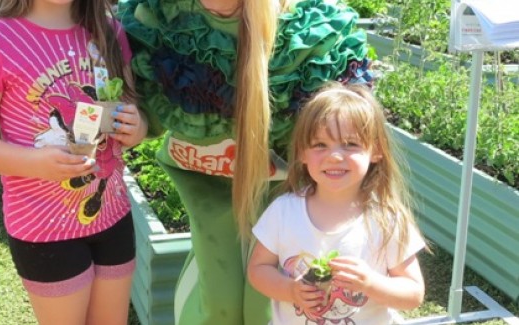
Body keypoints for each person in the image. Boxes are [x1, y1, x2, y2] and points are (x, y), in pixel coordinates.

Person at [118, 0, 372, 323]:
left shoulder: (305, 27)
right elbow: (145, 96)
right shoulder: (165, 13)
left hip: (284, 192)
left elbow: (352, 118)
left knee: (267, 306)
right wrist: (136, 121)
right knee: (217, 302)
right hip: (206, 185)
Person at [0, 1, 147, 324]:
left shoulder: (108, 30)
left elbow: (127, 108)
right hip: (43, 227)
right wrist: (35, 163)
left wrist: (136, 127)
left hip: (113, 216)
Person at [247, 82, 427, 324]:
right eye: (320, 145)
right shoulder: (283, 211)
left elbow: (413, 294)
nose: (334, 156)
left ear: (376, 151)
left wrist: (371, 283)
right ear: (302, 152)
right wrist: (290, 290)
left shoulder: (387, 218)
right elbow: (258, 270)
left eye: (350, 144)